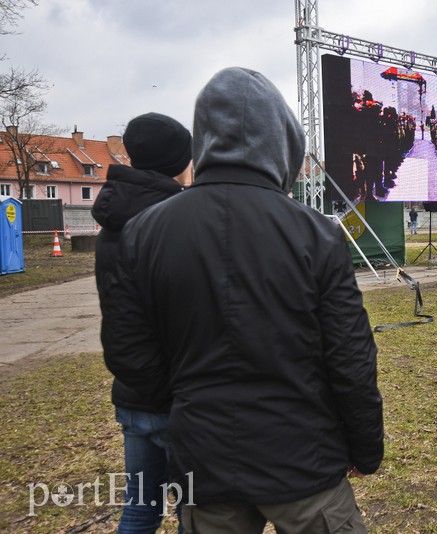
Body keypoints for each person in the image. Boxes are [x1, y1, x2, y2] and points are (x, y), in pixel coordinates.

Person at [102, 67, 384, 533]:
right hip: (304, 460)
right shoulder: (315, 234)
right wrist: (365, 448)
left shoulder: (144, 232)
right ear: (283, 143)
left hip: (207, 461)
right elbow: (351, 359)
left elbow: (129, 354)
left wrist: (190, 408)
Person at [93, 112, 191, 533]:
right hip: (178, 398)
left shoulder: (112, 220)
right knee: (194, 512)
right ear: (180, 162)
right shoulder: (178, 222)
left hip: (133, 393)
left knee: (139, 508)